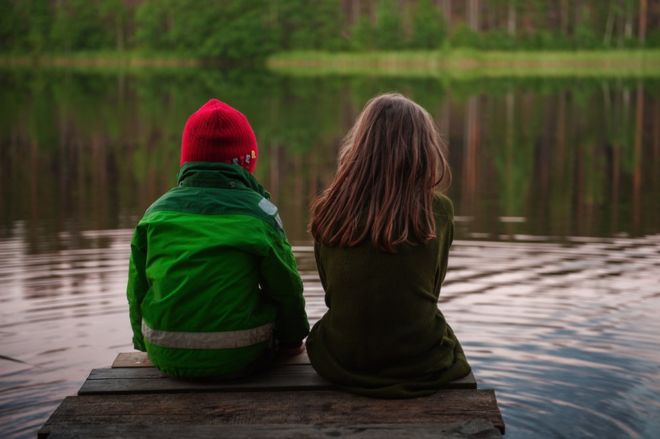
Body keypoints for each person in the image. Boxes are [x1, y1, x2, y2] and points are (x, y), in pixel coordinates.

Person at [126, 99, 309, 378]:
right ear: (248, 160)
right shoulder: (260, 214)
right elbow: (285, 288)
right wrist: (293, 341)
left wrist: (144, 345)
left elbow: (137, 288)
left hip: (165, 353)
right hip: (241, 356)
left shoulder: (155, 214)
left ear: (187, 160)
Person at [305, 93, 471, 398]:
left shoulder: (329, 209)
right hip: (417, 360)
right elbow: (431, 290)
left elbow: (332, 292)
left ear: (360, 146)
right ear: (423, 151)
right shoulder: (439, 212)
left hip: (343, 358)